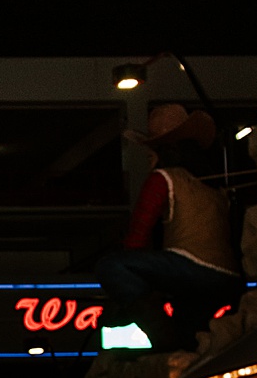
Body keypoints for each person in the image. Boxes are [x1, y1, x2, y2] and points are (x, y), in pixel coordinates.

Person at [95, 102, 241, 349]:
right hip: (229, 276)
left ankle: (157, 329)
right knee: (190, 335)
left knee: (111, 266)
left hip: (190, 268)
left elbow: (136, 238)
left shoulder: (164, 178)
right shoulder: (216, 188)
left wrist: (138, 290)